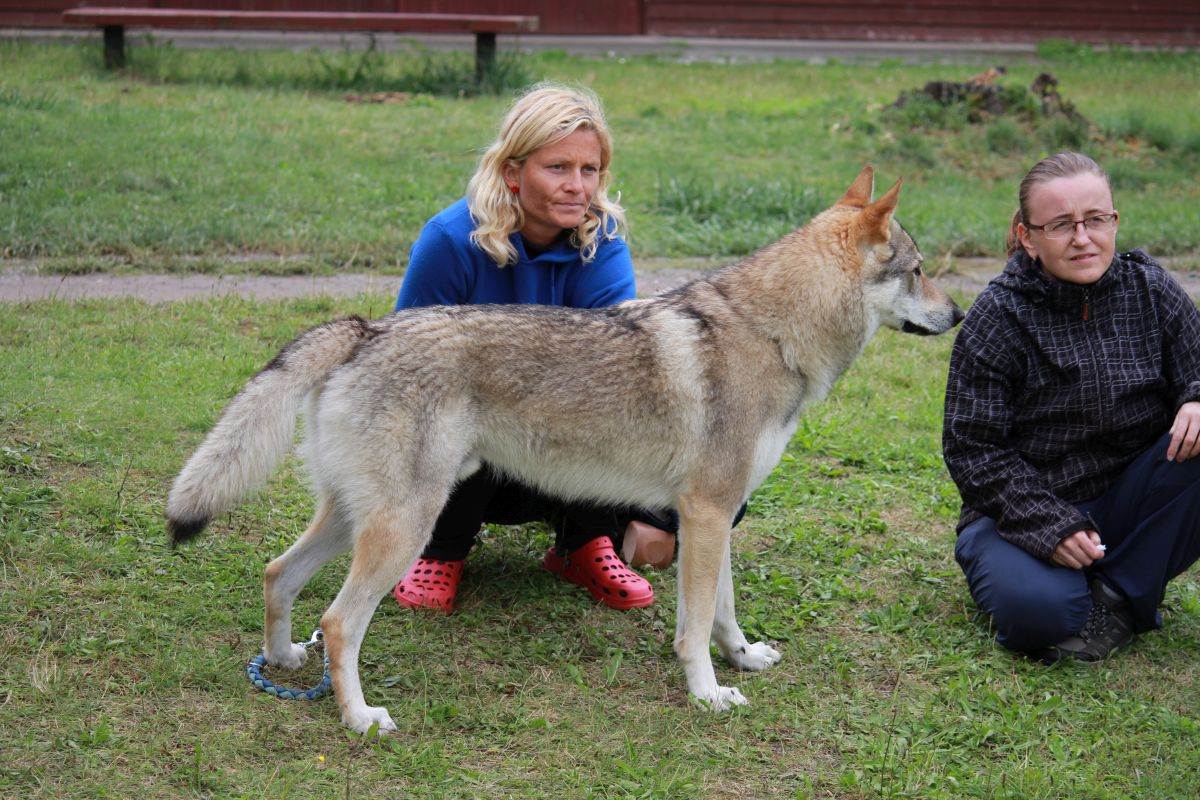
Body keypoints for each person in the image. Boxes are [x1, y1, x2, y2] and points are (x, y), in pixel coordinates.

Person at [390, 82, 679, 615]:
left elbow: (614, 376)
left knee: (685, 454)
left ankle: (584, 543)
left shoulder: (603, 239)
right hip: (466, 452)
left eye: (589, 170)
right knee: (478, 395)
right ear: (512, 173)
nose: (577, 187)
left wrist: (660, 514)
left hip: (561, 453)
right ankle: (439, 547)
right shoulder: (450, 239)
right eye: (557, 168)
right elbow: (406, 373)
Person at [943, 151, 1200, 663]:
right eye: (1061, 225)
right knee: (1041, 614)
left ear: (1114, 222)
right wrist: (1051, 526)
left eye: (1095, 220)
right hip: (1018, 512)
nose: (1083, 238)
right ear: (1028, 237)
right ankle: (1096, 582)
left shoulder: (1149, 288)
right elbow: (972, 451)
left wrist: (1197, 395)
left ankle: (1117, 595)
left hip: (1128, 498)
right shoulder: (997, 318)